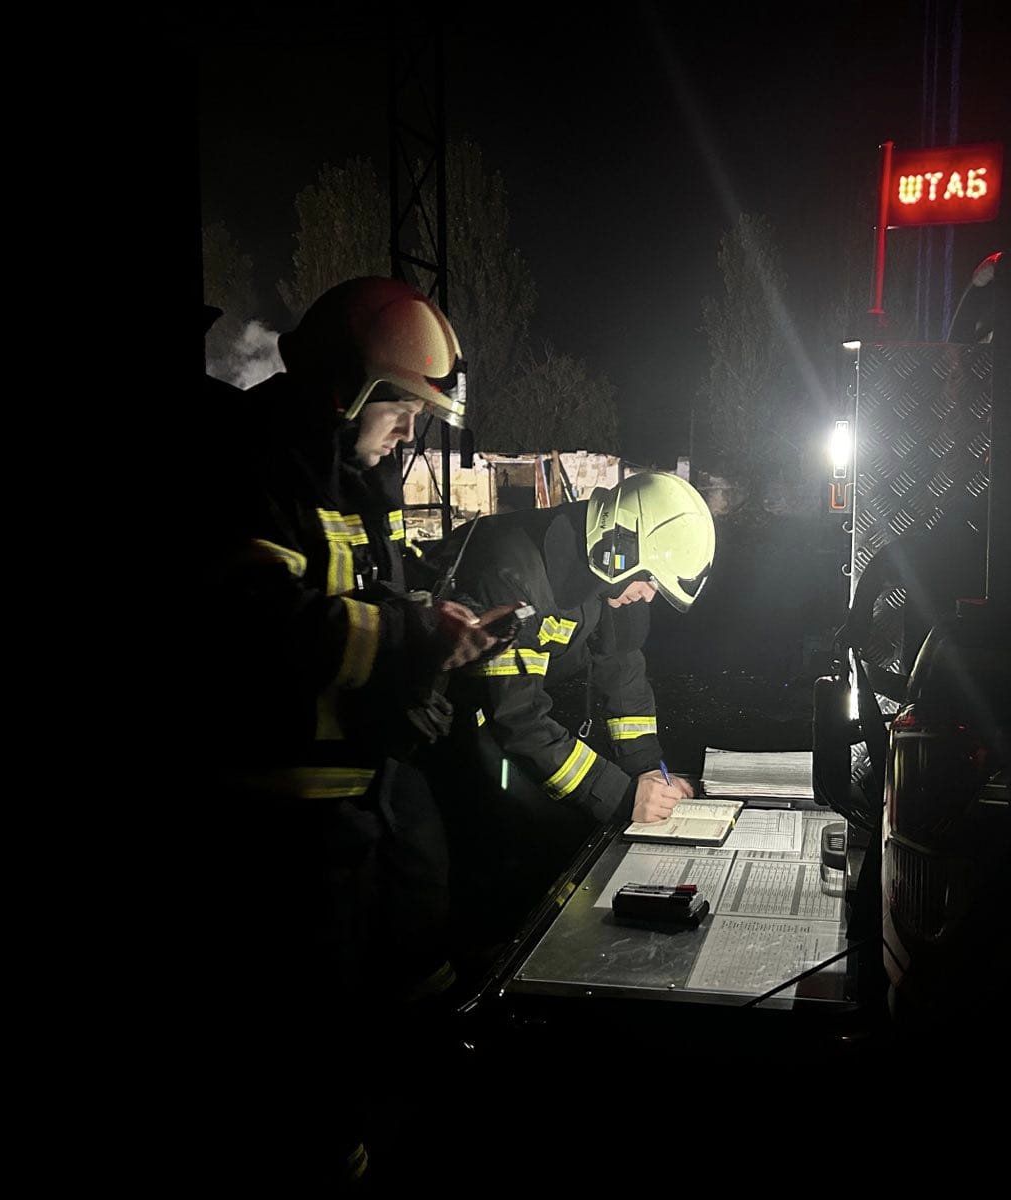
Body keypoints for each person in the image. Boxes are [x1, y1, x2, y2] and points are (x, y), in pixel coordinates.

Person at [198, 276, 493, 1186]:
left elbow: (369, 606)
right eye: (402, 410)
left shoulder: (352, 475)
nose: (408, 434)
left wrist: (427, 651)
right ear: (346, 386)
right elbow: (262, 626)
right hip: (277, 816)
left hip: (358, 793)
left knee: (382, 987)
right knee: (303, 1038)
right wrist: (413, 636)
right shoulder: (255, 463)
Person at [425, 470, 717, 950]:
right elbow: (517, 721)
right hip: (442, 734)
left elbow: (624, 676)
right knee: (487, 867)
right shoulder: (511, 573)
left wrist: (649, 772)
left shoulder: (612, 574)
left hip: (500, 726)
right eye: (649, 580)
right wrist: (623, 797)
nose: (648, 594)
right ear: (618, 543)